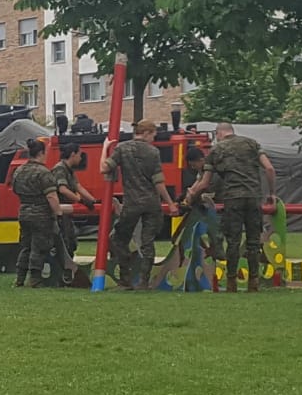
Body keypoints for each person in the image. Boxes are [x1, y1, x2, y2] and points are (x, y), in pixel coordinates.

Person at [185, 122, 277, 293]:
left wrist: (191, 195)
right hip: (253, 197)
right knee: (253, 241)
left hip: (232, 198)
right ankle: (253, 282)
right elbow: (269, 169)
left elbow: (204, 182)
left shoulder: (216, 150)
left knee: (233, 242)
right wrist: (271, 194)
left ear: (219, 133)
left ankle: (231, 282)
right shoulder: (252, 144)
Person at [101, 119, 177, 290]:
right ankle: (144, 281)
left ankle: (125, 278)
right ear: (147, 133)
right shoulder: (153, 152)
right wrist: (170, 203)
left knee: (118, 239)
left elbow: (106, 168)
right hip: (151, 203)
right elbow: (158, 182)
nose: (154, 139)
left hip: (132, 202)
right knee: (147, 242)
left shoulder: (122, 148)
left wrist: (105, 149)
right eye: (153, 135)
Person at [12, 139, 63, 288]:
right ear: (41, 153)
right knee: (39, 247)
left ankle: (19, 278)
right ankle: (34, 279)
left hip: (23, 212)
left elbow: (15, 190)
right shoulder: (43, 172)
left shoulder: (19, 171)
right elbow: (51, 196)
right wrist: (58, 212)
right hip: (41, 214)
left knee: (26, 246)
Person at [52, 143, 98, 256]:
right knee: (64, 241)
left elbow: (78, 186)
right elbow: (63, 189)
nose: (81, 158)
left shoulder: (69, 170)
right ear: (73, 154)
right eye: (79, 155)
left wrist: (94, 201)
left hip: (66, 212)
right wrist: (80, 201)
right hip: (60, 212)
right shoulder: (60, 169)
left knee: (71, 241)